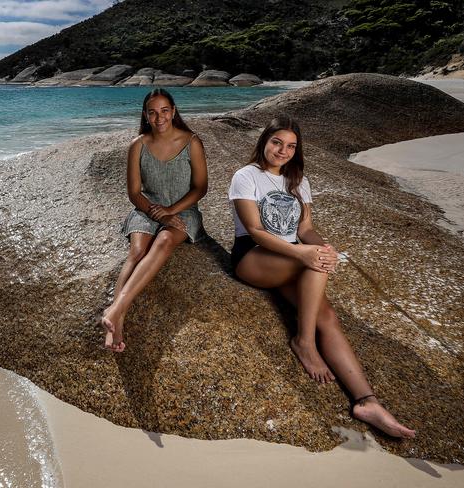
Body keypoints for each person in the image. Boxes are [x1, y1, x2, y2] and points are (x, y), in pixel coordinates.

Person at [228, 115, 415, 438]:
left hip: (291, 258)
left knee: (327, 317)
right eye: (276, 142)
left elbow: (305, 230)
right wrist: (304, 253)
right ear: (264, 141)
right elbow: (256, 232)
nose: (282, 151)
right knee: (312, 262)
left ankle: (366, 401)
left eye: (290, 146)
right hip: (254, 257)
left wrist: (323, 247)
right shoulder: (247, 176)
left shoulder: (299, 180)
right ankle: (303, 342)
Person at [101, 88, 208, 352]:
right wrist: (154, 211)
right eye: (152, 112)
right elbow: (134, 193)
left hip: (182, 210)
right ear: (146, 115)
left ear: (173, 111)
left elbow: (200, 188)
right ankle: (118, 319)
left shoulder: (191, 141)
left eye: (164, 111)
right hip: (146, 209)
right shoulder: (137, 145)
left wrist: (171, 211)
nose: (159, 117)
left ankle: (114, 309)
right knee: (137, 251)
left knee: (164, 241)